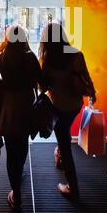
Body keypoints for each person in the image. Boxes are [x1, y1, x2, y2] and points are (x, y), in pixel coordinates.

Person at [0, 25, 43, 213]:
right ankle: (19, 174)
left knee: (11, 150)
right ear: (25, 38)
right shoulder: (30, 56)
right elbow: (41, 82)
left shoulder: (1, 58)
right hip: (26, 106)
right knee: (23, 143)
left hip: (8, 109)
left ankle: (16, 195)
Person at [39, 22, 96, 202]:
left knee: (64, 141)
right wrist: (93, 95)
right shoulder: (76, 54)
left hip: (58, 107)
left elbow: (43, 86)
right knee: (64, 133)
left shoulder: (47, 59)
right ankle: (60, 156)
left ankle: (73, 188)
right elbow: (86, 78)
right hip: (74, 105)